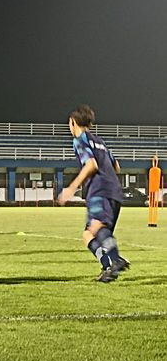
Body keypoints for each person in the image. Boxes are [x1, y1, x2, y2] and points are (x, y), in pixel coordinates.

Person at [58, 104, 129, 282]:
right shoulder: (100, 141)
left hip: (99, 191)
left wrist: (71, 188)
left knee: (97, 227)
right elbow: (116, 166)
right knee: (89, 234)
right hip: (114, 191)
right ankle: (108, 268)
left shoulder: (79, 140)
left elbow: (91, 164)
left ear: (73, 122)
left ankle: (116, 259)